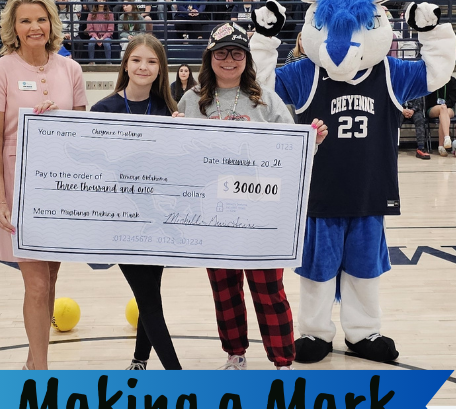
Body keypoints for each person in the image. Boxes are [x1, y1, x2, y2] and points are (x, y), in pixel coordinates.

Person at [179, 23, 327, 368]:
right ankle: (236, 354)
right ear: (209, 57)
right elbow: (181, 158)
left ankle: (282, 360)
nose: (228, 60)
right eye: (221, 53)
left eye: (236, 53)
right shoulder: (191, 100)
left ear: (246, 58)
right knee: (225, 289)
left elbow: (293, 152)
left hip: (261, 213)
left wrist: (312, 144)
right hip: (212, 214)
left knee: (268, 289)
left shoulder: (267, 99)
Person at [0, 0, 87, 370]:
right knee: (37, 285)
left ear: (51, 23)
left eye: (40, 19)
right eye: (25, 20)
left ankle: (31, 361)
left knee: (51, 279)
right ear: (13, 27)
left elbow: (83, 133)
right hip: (17, 180)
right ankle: (40, 375)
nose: (34, 27)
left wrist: (61, 117)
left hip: (60, 183)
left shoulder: (71, 69)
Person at [90, 35, 183, 370]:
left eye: (152, 61)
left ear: (161, 69)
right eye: (137, 60)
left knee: (150, 293)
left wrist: (182, 137)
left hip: (157, 219)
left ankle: (140, 359)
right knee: (149, 297)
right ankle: (177, 376)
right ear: (125, 63)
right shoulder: (102, 109)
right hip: (121, 222)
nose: (144, 67)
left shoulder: (170, 111)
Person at [426, 75, 456, 156]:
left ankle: (441, 146)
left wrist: (445, 105)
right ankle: (446, 138)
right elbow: (428, 99)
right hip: (433, 108)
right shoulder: (432, 80)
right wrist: (441, 105)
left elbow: (453, 98)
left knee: (443, 113)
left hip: (448, 108)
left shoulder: (452, 80)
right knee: (442, 109)